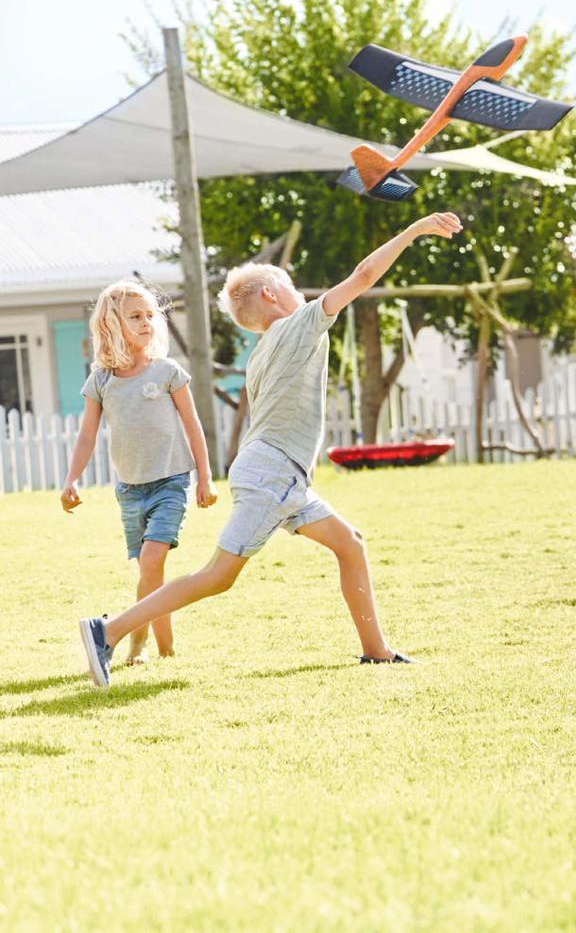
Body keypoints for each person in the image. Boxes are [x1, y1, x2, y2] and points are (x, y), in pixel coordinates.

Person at [79, 212, 462, 687]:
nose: (302, 293)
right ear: (271, 295)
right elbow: (363, 277)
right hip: (272, 474)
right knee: (218, 575)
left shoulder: (264, 353)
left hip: (278, 475)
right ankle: (108, 631)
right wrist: (413, 230)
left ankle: (377, 652)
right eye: (292, 285)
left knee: (350, 544)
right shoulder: (299, 325)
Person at [62, 279, 216, 665]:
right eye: (135, 316)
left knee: (151, 562)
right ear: (112, 324)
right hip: (130, 490)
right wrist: (71, 479)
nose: (147, 322)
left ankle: (132, 642)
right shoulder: (101, 381)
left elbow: (193, 424)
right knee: (152, 573)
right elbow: (87, 436)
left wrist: (205, 476)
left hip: (171, 482)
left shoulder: (166, 371)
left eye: (151, 315)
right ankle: (162, 650)